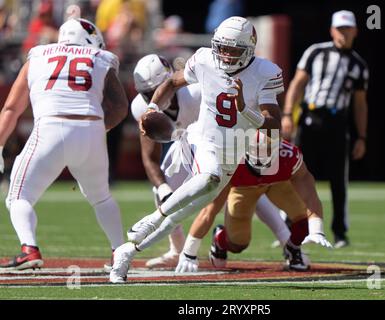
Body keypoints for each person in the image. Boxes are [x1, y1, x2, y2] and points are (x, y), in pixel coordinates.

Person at [110, 16, 284, 283]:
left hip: (232, 153)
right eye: (221, 47)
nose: (224, 55)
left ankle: (127, 253)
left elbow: (274, 123)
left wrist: (245, 110)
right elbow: (170, 83)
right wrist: (153, 110)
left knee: (183, 213)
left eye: (232, 49)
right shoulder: (205, 59)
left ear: (248, 49)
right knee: (208, 176)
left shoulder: (265, 72)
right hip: (199, 141)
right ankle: (153, 216)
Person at [0, 18, 128, 270]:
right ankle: (119, 252)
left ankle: (29, 249)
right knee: (101, 198)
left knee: (17, 196)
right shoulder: (100, 57)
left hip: (50, 128)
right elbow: (120, 106)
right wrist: (95, 129)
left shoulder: (37, 55)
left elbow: (11, 108)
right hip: (91, 127)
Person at [175, 136, 332, 273]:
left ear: (277, 148)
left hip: (277, 184)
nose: (263, 159)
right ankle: (220, 238)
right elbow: (209, 210)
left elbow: (310, 194)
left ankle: (293, 249)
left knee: (304, 218)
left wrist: (317, 228)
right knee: (238, 243)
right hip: (243, 189)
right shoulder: (232, 161)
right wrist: (189, 252)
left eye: (269, 152)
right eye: (259, 154)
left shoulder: (288, 155)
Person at [281, 10, 369, 248]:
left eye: (348, 28)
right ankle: (289, 226)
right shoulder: (316, 52)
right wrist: (288, 114)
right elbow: (297, 84)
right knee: (295, 173)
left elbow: (360, 104)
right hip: (310, 117)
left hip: (337, 122)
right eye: (340, 29)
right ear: (332, 30)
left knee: (338, 179)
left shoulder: (359, 65)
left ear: (355, 31)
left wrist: (362, 136)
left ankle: (340, 231)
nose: (343, 33)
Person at [129, 53, 202, 268]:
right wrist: (163, 190)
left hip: (216, 144)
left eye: (156, 90)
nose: (152, 98)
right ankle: (177, 250)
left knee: (242, 190)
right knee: (161, 189)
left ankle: (286, 241)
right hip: (186, 146)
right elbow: (149, 157)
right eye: (147, 93)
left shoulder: (195, 91)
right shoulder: (141, 107)